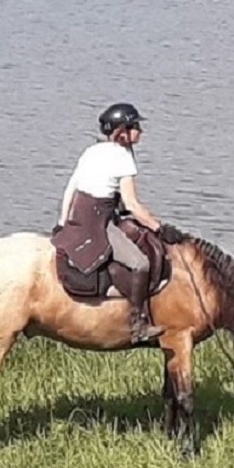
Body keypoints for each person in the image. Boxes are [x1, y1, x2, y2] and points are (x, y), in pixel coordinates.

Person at [56, 103, 165, 343]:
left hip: (77, 217)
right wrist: (159, 228)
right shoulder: (122, 157)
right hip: (98, 222)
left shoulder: (91, 151)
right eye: (135, 126)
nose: (140, 131)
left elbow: (70, 189)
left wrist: (62, 222)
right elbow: (133, 204)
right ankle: (137, 325)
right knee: (140, 264)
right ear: (123, 131)